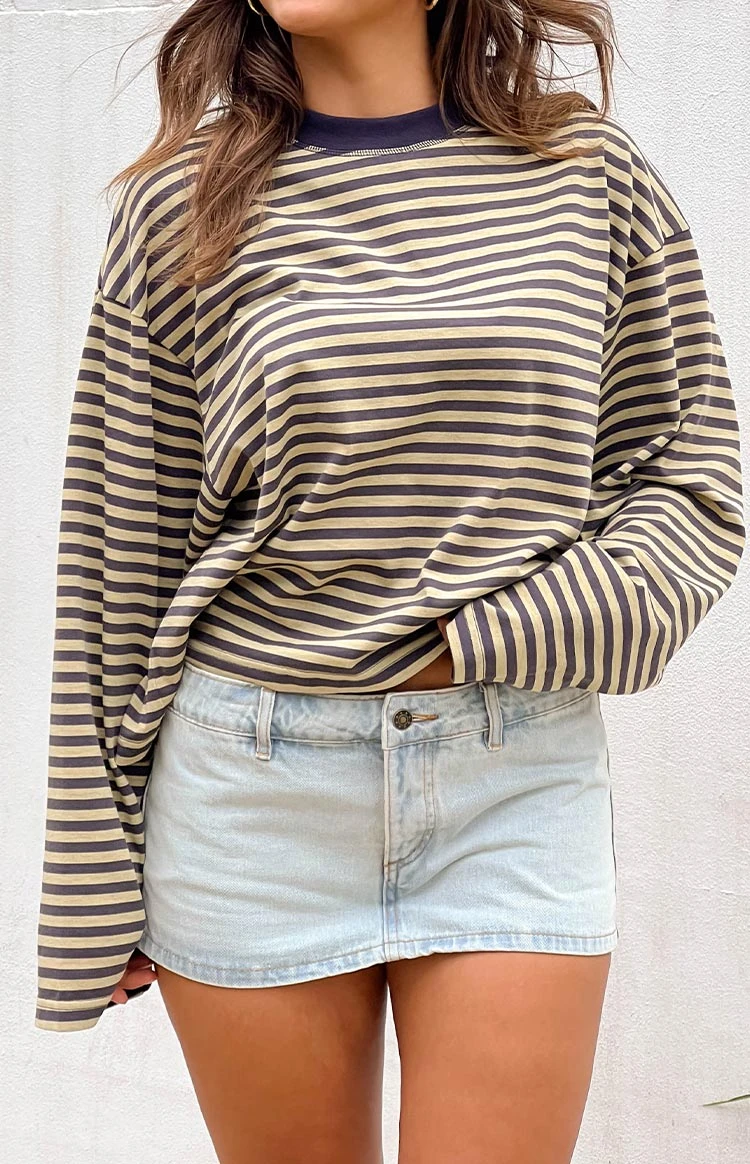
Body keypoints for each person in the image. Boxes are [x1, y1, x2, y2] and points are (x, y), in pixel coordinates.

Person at [36, 1, 745, 1161]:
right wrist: (91, 883)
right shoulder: (180, 202)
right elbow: (117, 555)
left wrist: (492, 639)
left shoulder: (586, 173)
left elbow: (690, 475)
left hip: (513, 779)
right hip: (250, 792)